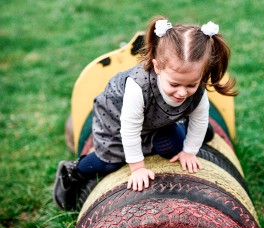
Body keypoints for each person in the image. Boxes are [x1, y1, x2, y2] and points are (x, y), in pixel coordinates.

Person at [53, 16, 238, 210]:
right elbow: (129, 128)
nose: (182, 92)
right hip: (117, 120)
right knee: (111, 161)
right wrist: (138, 168)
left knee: (172, 147)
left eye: (191, 84)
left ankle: (183, 126)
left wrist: (189, 151)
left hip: (157, 120)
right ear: (157, 67)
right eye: (174, 84)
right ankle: (73, 171)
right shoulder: (138, 87)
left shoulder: (197, 90)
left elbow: (200, 119)